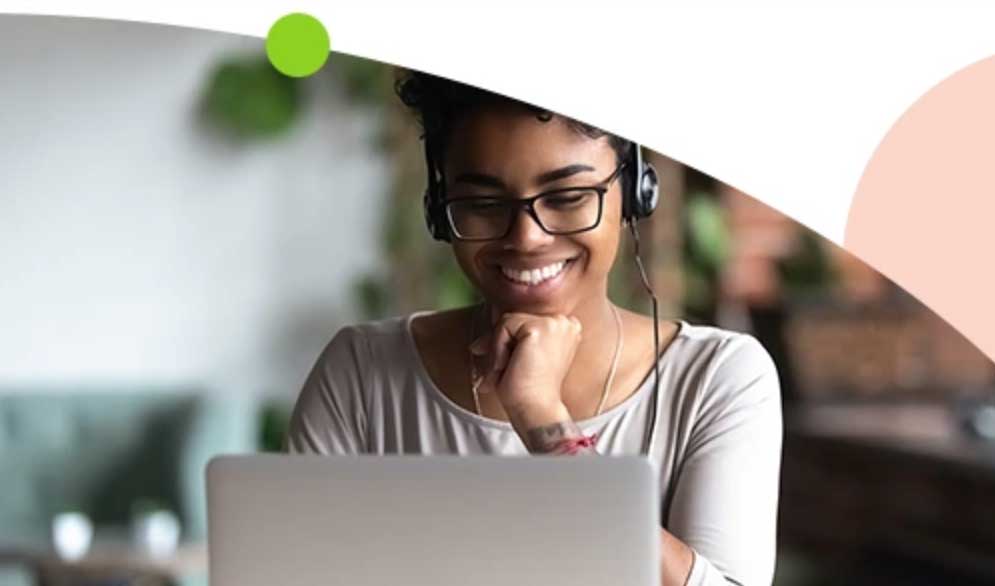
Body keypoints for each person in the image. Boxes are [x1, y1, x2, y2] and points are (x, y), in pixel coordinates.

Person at [286, 69, 784, 586]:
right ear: (439, 209)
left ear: (635, 192)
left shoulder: (718, 379)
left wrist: (544, 419)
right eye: (482, 204)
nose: (526, 238)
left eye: (567, 198)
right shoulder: (363, 373)